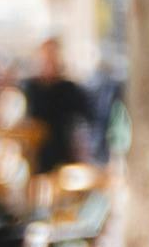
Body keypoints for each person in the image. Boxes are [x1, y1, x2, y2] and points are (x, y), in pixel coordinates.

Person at [15, 34, 102, 177]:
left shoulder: (69, 89)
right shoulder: (29, 87)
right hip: (34, 157)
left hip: (63, 155)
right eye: (46, 56)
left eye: (52, 55)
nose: (49, 61)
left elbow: (87, 119)